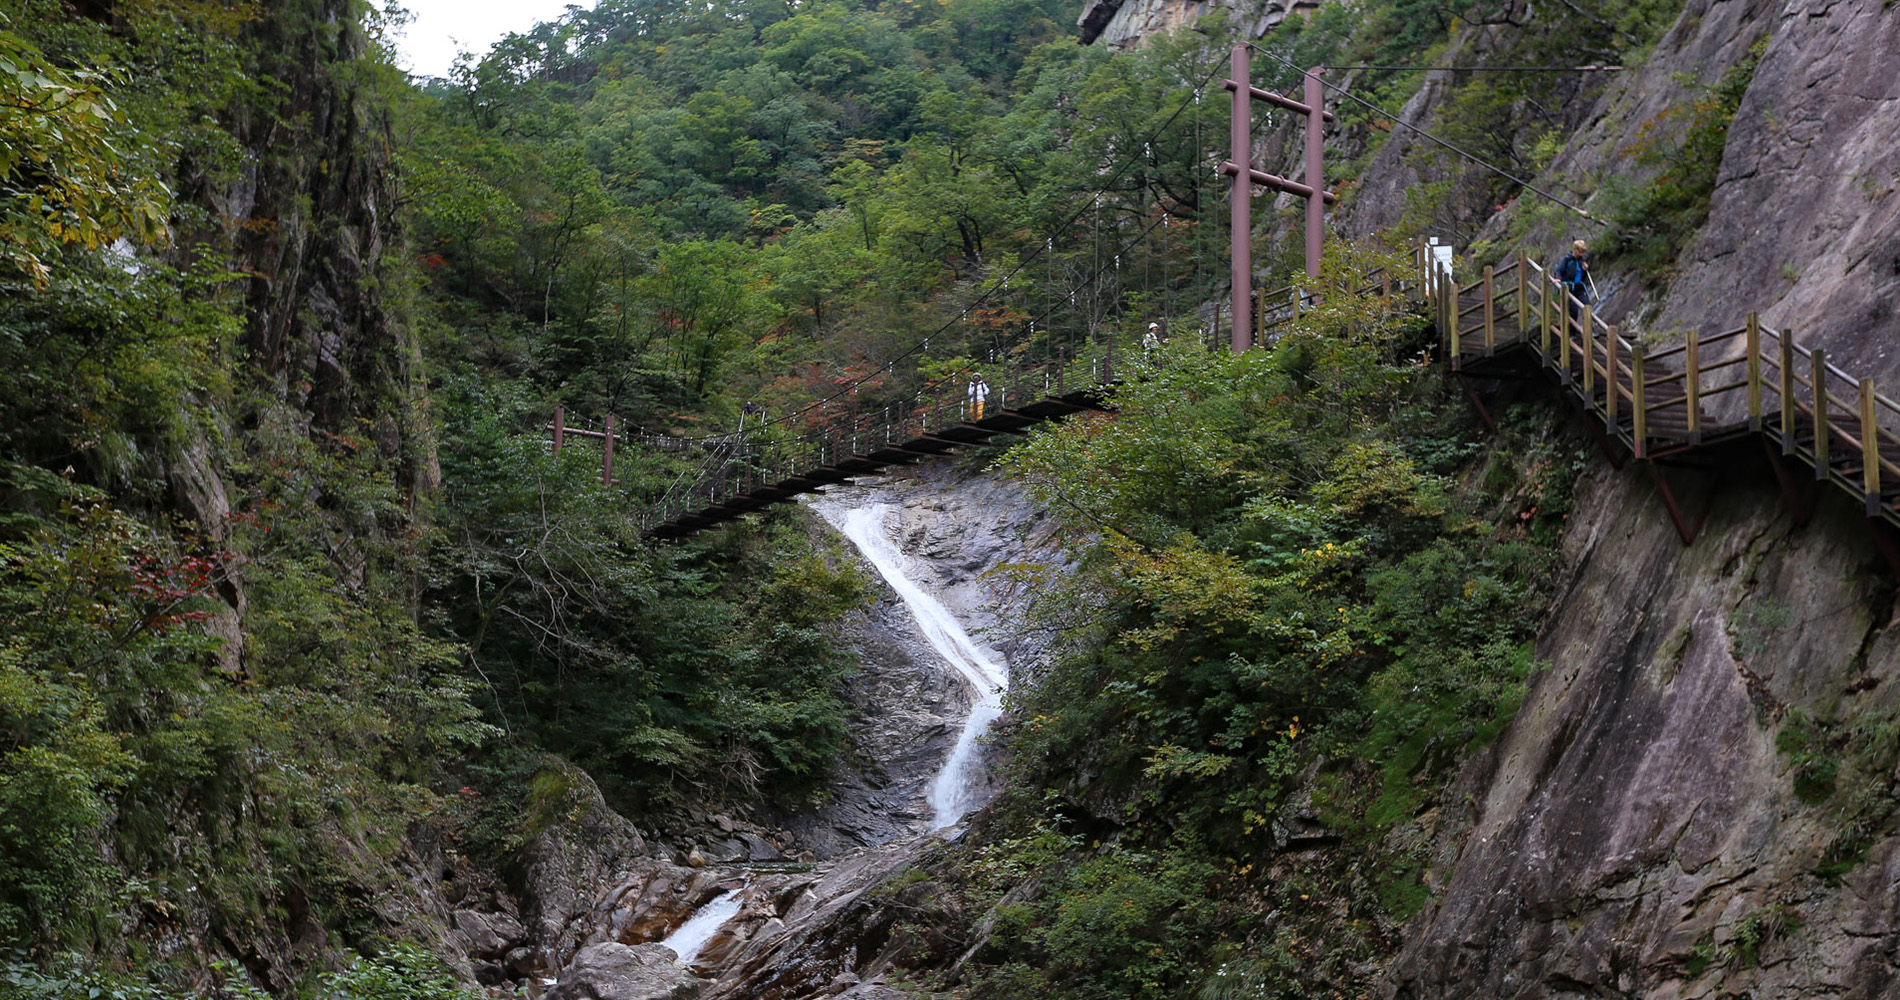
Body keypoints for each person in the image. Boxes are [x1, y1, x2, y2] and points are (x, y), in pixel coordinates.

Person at [1555, 239, 1591, 319]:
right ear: (1575, 250)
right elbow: (1559, 270)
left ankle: (1587, 329)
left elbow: (1583, 277)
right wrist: (1558, 279)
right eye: (1580, 251)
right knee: (1573, 311)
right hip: (1569, 288)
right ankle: (1572, 331)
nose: (1581, 254)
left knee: (1587, 306)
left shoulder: (1582, 261)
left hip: (1579, 288)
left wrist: (1585, 270)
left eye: (1583, 252)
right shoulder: (1567, 259)